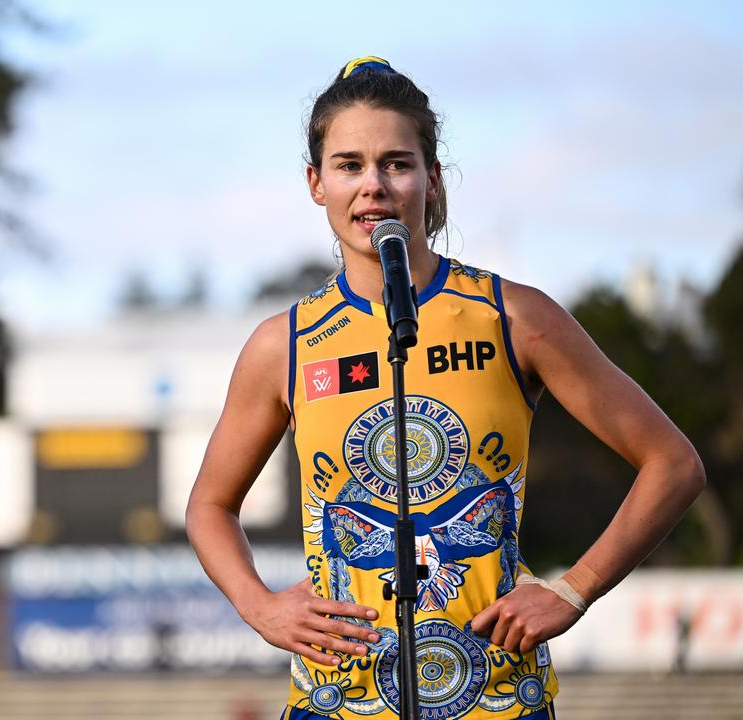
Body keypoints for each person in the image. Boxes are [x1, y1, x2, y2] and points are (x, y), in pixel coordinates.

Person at [185, 56, 705, 720]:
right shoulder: (281, 345)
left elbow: (673, 463)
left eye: (396, 164)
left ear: (431, 179)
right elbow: (209, 505)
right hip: (337, 702)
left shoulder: (513, 316)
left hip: (497, 700)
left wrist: (576, 589)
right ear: (316, 184)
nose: (373, 186)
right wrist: (258, 605)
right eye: (349, 165)